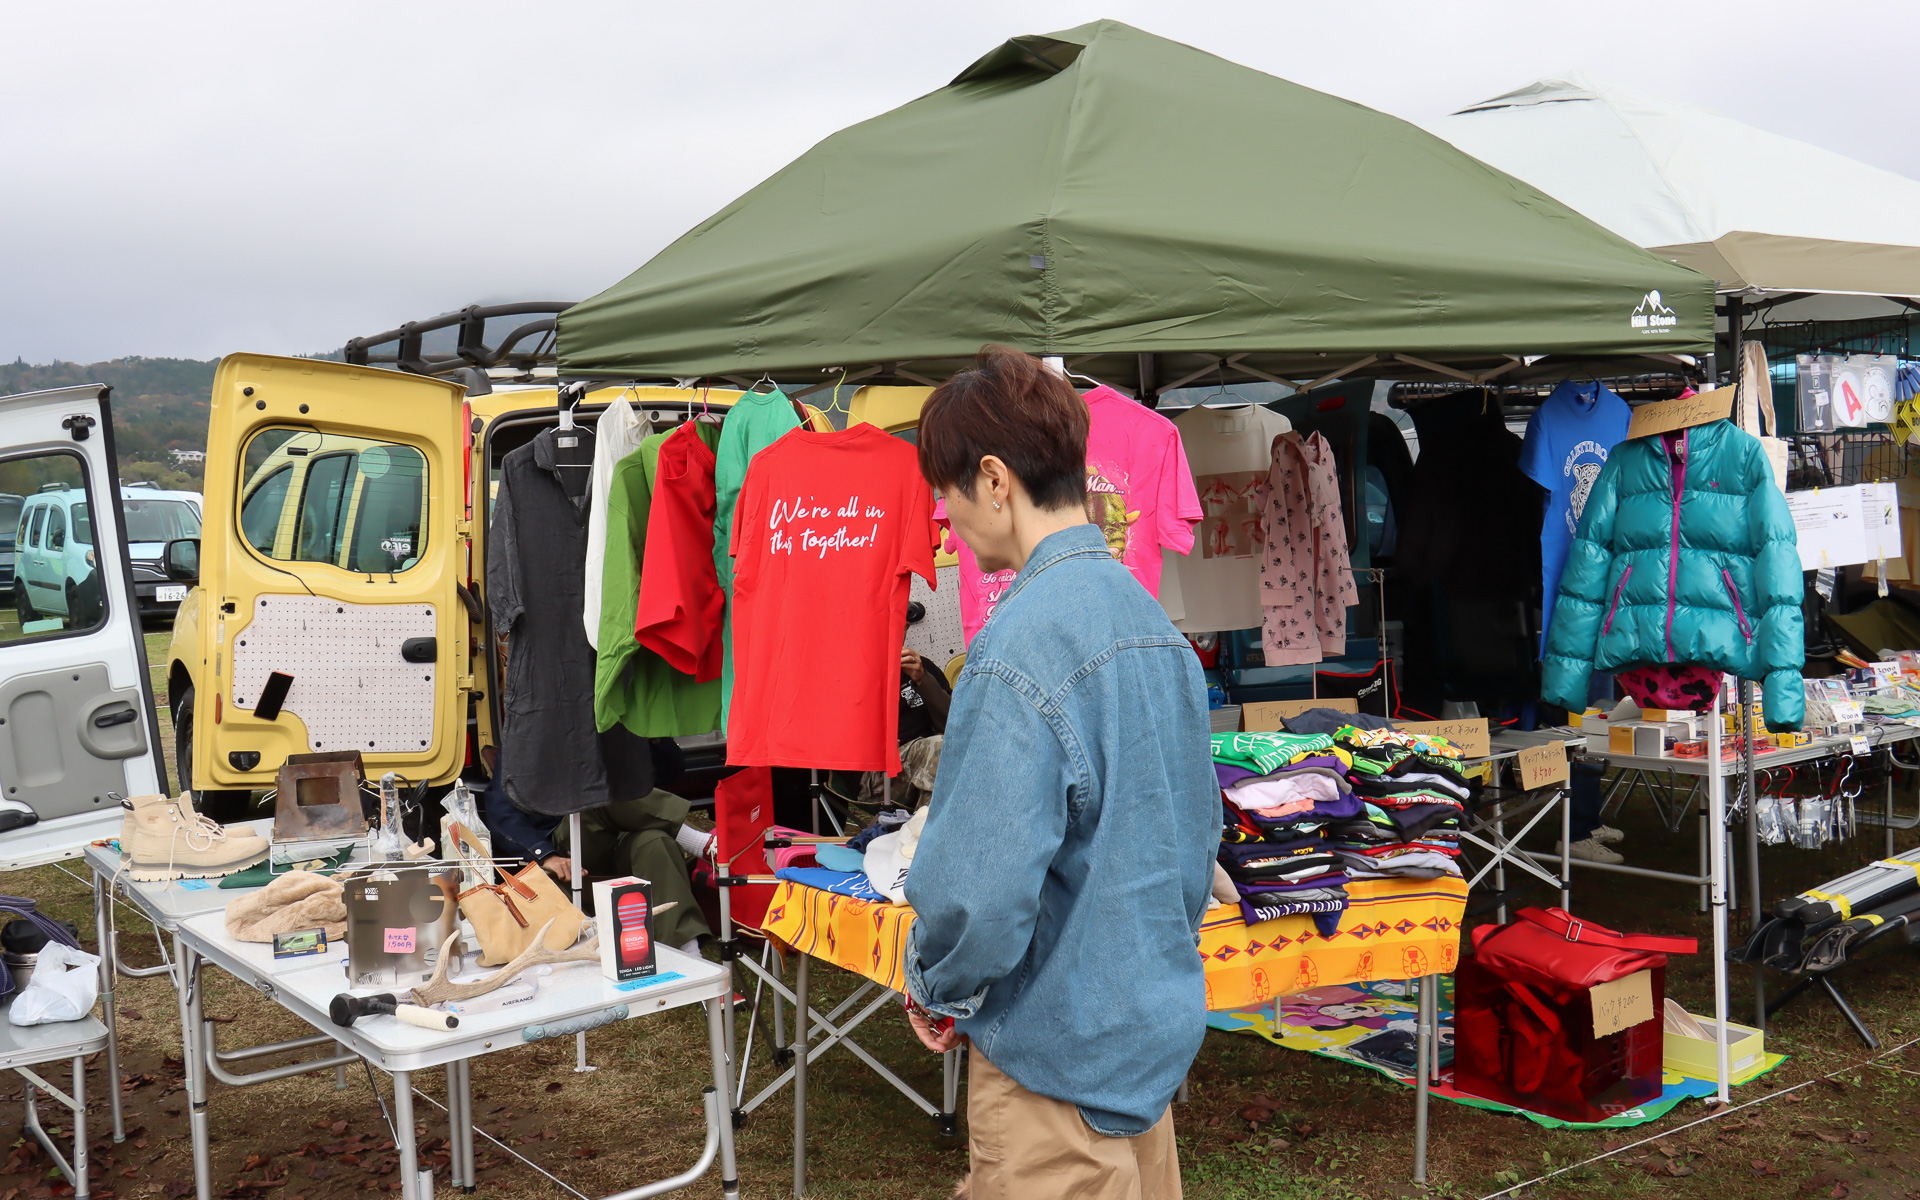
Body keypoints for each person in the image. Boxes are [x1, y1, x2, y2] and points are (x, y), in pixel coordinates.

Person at [901, 346, 1216, 1200]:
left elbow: (979, 892)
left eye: (949, 486)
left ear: (995, 480)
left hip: (1053, 1070)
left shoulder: (1014, 649)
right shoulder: (1154, 624)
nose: (942, 509)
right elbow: (1193, 855)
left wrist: (935, 983)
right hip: (1142, 1055)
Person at [481, 739, 714, 954]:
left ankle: (690, 955)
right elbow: (501, 813)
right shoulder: (526, 739)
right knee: (591, 792)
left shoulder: (611, 724)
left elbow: (669, 773)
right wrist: (545, 854)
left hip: (627, 837)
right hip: (571, 840)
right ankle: (701, 843)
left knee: (655, 841)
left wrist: (653, 736)